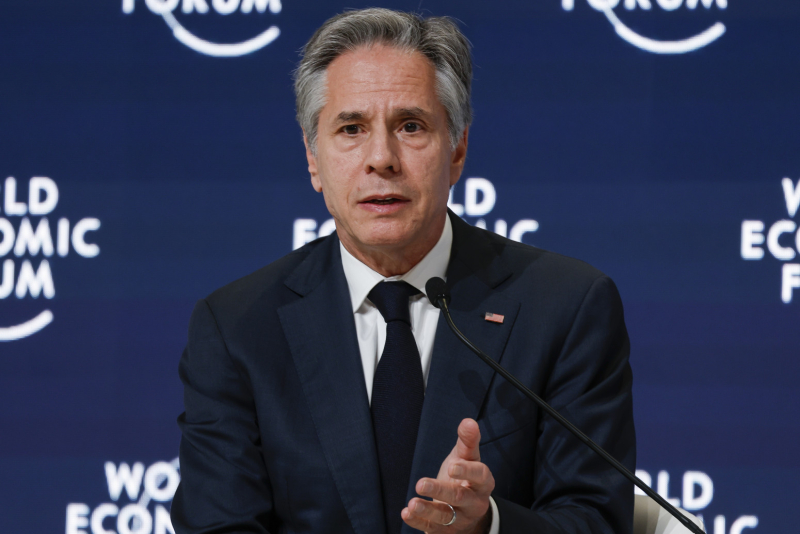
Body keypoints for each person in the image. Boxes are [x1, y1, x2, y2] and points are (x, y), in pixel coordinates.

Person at [171, 8, 635, 534]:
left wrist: (488, 526)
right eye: (351, 129)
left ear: (457, 149)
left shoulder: (565, 307)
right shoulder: (238, 327)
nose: (382, 158)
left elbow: (597, 519)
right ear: (313, 159)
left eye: (411, 126)